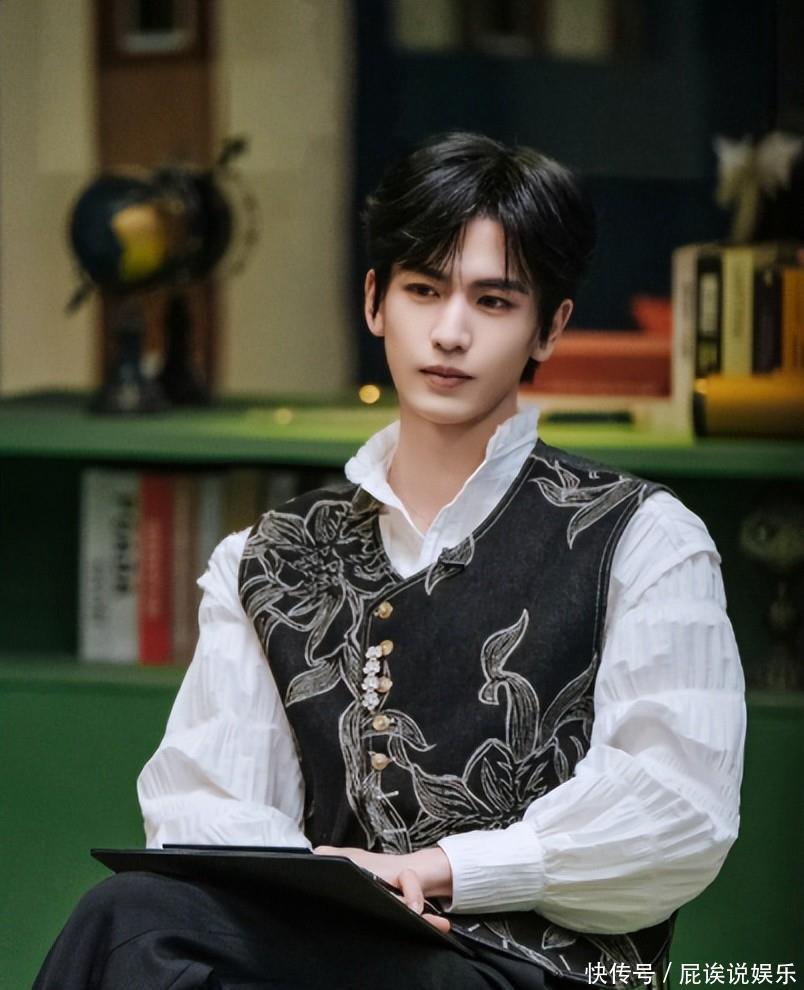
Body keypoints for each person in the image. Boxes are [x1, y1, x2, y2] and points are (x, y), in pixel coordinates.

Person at [34, 132, 746, 990]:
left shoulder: (644, 538)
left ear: (549, 327)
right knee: (127, 917)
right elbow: (202, 808)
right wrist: (328, 885)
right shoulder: (265, 557)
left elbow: (679, 812)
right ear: (375, 302)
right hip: (338, 945)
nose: (450, 332)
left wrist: (439, 869)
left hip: (534, 970)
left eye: (492, 301)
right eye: (423, 290)